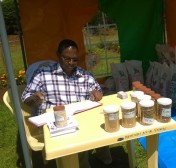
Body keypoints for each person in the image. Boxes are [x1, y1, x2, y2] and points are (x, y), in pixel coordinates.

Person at [21, 39, 112, 167]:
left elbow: (97, 90)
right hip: (55, 121)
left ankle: (103, 157)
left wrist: (98, 93)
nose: (71, 63)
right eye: (66, 58)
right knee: (77, 140)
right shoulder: (43, 74)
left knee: (102, 123)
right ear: (58, 55)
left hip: (81, 117)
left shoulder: (83, 75)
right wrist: (36, 98)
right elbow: (26, 98)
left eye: (75, 59)